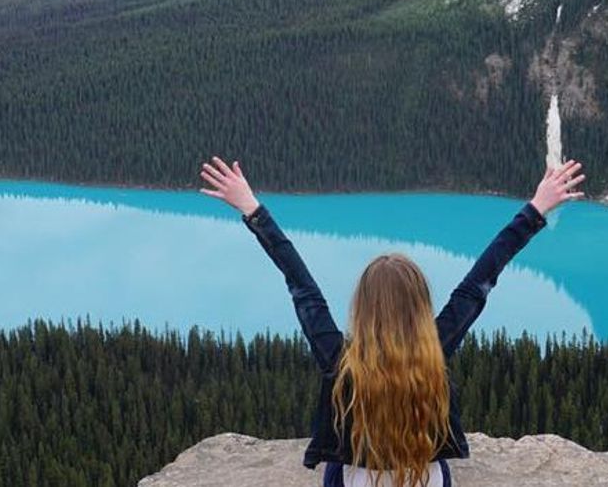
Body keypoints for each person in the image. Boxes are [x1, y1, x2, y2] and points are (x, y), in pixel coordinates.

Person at [198, 156, 584, 487]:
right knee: (438, 468)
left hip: (356, 479)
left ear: (363, 307)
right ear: (418, 306)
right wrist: (534, 209)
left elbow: (302, 286)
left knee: (336, 468)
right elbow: (479, 280)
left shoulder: (340, 361)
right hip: (425, 477)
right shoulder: (435, 346)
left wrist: (253, 209)